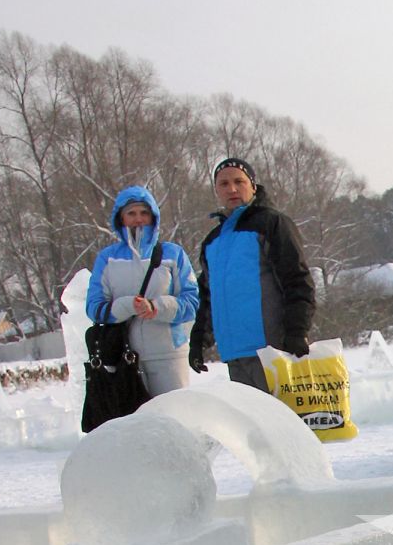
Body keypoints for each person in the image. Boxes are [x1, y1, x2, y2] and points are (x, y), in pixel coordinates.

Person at [189, 158, 316, 392]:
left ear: (253, 186)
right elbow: (208, 296)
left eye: (239, 181)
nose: (232, 189)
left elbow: (297, 280)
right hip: (234, 353)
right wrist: (198, 340)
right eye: (224, 183)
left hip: (271, 349)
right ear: (216, 190)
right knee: (254, 426)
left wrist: (297, 331)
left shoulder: (272, 223)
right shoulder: (213, 241)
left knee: (282, 424)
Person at [86, 186, 199, 397]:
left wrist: (157, 308)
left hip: (169, 355)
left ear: (153, 216)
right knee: (136, 425)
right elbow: (94, 307)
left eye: (144, 213)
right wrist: (127, 306)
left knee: (174, 420)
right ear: (121, 218)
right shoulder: (107, 259)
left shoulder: (173, 254)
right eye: (131, 213)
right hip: (124, 356)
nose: (138, 219)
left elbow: (191, 302)